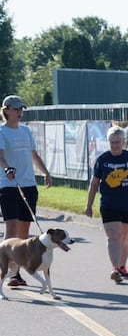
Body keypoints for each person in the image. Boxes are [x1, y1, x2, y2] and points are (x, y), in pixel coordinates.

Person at [84, 126, 128, 283]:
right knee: (113, 237)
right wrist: (89, 205)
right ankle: (115, 268)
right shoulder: (103, 160)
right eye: (112, 142)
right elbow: (94, 184)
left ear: (123, 142)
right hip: (108, 204)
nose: (115, 145)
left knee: (125, 236)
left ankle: (122, 266)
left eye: (118, 142)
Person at [0, 95, 54, 287]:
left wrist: (45, 172)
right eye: (15, 109)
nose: (19, 112)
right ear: (6, 110)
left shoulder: (26, 131)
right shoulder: (1, 132)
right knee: (11, 229)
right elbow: (0, 156)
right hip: (8, 185)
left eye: (21, 108)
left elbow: (33, 154)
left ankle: (18, 272)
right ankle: (8, 270)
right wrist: (7, 168)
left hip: (28, 185)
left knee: (24, 232)